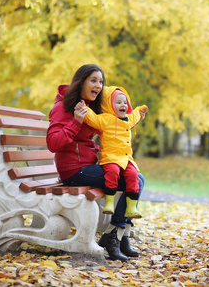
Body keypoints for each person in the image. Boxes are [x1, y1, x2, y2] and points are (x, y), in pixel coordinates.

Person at [46, 64, 145, 261]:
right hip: (73, 170)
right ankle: (114, 236)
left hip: (88, 167)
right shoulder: (63, 108)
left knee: (136, 177)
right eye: (93, 80)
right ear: (80, 82)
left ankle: (117, 235)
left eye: (101, 81)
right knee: (134, 181)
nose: (98, 85)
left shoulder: (91, 109)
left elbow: (102, 134)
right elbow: (52, 143)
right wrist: (75, 122)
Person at [80, 86, 148, 218]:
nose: (123, 105)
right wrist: (85, 109)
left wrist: (140, 111)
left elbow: (134, 116)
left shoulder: (127, 120)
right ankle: (109, 202)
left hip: (125, 158)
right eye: (118, 102)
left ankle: (131, 207)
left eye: (125, 102)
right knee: (113, 173)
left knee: (133, 175)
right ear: (110, 106)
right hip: (110, 158)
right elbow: (93, 119)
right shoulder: (106, 119)